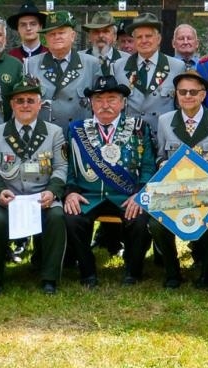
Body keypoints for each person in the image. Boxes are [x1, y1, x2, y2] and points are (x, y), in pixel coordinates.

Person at [64, 73, 158, 287]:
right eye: (99, 99)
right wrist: (71, 191)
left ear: (123, 102)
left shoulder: (138, 127)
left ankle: (133, 272)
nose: (105, 105)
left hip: (126, 196)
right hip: (89, 196)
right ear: (91, 103)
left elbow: (148, 165)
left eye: (111, 99)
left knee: (140, 219)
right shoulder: (76, 130)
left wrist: (140, 194)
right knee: (71, 217)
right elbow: (69, 166)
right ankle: (87, 272)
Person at [0, 78, 69, 295]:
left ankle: (49, 277)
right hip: (8, 198)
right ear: (12, 104)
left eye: (31, 100)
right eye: (19, 100)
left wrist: (52, 191)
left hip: (42, 197)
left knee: (57, 217)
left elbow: (60, 167)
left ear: (40, 104)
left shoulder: (54, 132)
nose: (25, 105)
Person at [149, 68, 208, 288]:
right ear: (176, 94)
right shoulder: (166, 121)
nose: (187, 96)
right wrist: (162, 164)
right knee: (156, 224)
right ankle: (172, 271)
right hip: (175, 192)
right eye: (182, 92)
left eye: (193, 92)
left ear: (203, 95)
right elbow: (159, 156)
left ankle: (207, 273)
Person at [25, 11, 96, 132]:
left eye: (61, 33)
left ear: (73, 36)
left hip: (80, 135)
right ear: (45, 38)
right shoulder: (30, 64)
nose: (57, 37)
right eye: (52, 34)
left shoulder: (91, 64)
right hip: (45, 135)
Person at [115, 13, 178, 123]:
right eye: (139, 37)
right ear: (134, 41)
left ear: (158, 39)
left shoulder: (177, 67)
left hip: (162, 135)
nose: (144, 41)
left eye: (148, 36)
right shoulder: (118, 67)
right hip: (131, 136)